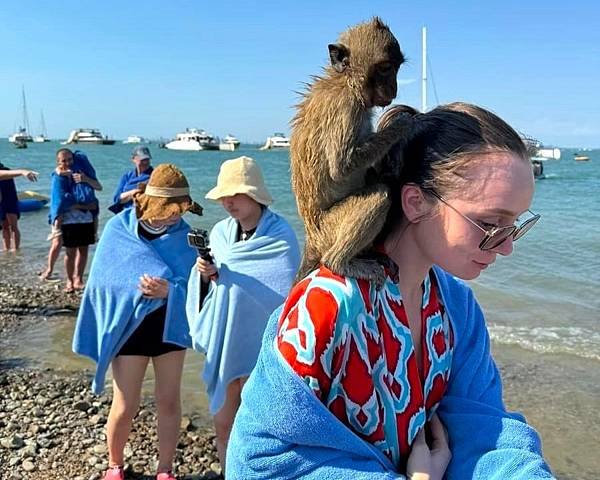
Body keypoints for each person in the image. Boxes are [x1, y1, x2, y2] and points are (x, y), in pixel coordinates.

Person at [226, 103, 556, 480]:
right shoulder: (326, 307)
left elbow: (487, 433)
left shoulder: (456, 307)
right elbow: (260, 464)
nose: (506, 246)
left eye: (515, 225)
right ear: (416, 202)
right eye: (490, 223)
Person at [73, 164, 202, 480]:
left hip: (170, 328)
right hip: (129, 328)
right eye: (170, 209)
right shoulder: (120, 229)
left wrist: (170, 289)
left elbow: (201, 288)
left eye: (180, 209)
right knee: (125, 403)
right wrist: (138, 289)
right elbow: (103, 282)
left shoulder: (187, 237)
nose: (175, 216)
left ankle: (165, 469)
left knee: (169, 400)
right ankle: (114, 464)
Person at [186, 156, 300, 473]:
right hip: (227, 338)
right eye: (223, 195)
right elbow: (219, 284)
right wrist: (205, 274)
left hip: (262, 346)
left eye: (234, 194)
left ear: (254, 193)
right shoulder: (221, 232)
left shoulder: (281, 235)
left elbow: (284, 294)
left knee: (260, 430)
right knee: (223, 423)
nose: (226, 201)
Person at [41, 148, 102, 288]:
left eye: (70, 159)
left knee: (84, 250)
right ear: (58, 161)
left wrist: (85, 179)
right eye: (64, 160)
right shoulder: (58, 176)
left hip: (85, 219)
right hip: (68, 220)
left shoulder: (82, 172)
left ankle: (78, 279)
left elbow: (98, 187)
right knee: (70, 251)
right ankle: (69, 279)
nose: (67, 162)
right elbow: (59, 199)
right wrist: (78, 206)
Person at [108, 145, 154, 214]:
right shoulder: (127, 176)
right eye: (142, 160)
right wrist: (134, 192)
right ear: (133, 159)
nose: (145, 162)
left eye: (147, 159)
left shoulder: (154, 175)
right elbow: (117, 199)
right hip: (125, 212)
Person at [0, 162, 26, 251]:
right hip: (2, 201)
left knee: (13, 226)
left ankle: (16, 249)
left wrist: (23, 172)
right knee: (4, 226)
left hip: (9, 199)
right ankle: (6, 249)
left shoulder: (6, 171)